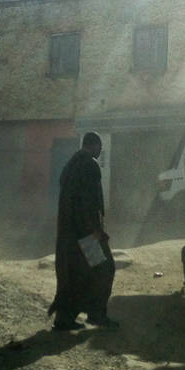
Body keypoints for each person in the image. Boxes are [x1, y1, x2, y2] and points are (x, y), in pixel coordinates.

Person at [47, 132, 119, 331]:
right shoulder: (90, 165)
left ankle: (64, 318)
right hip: (87, 234)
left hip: (69, 234)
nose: (101, 150)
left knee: (74, 273)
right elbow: (88, 202)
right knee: (105, 269)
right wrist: (95, 230)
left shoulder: (71, 165)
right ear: (93, 145)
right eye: (100, 146)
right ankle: (96, 314)